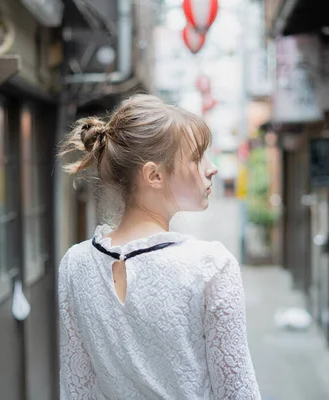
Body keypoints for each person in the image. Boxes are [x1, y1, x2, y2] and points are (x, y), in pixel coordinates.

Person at [58, 94, 261, 399]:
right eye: (196, 158)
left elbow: (76, 388)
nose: (212, 168)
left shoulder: (75, 264)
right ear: (154, 175)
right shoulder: (210, 266)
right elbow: (237, 392)